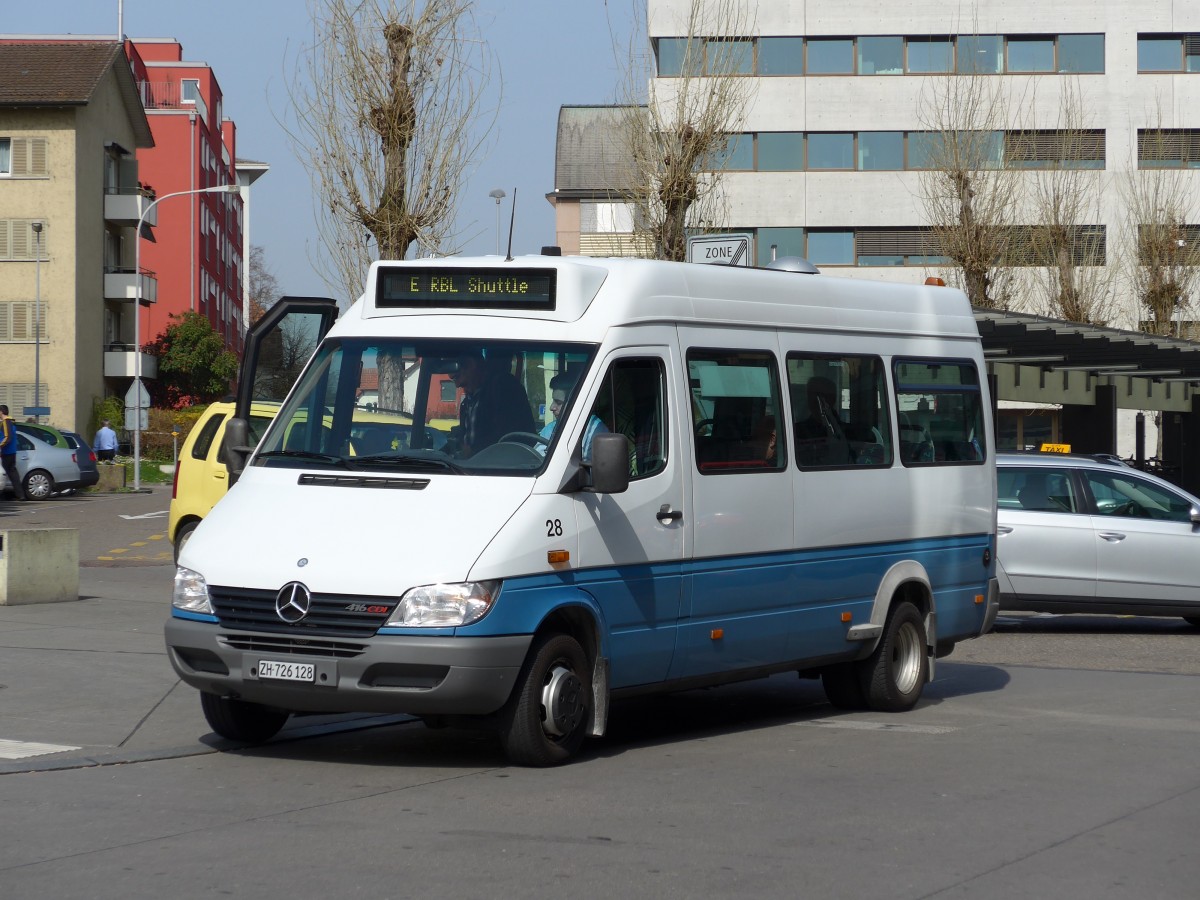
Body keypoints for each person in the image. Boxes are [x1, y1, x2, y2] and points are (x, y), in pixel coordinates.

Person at [449, 350, 535, 457]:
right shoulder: (469, 401)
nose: (457, 385)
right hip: (468, 468)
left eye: (457, 376)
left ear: (471, 365)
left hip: (499, 468)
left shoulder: (504, 389)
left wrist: (474, 451)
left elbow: (508, 436)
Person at [538, 369, 608, 459]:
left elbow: (594, 471)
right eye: (553, 401)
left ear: (574, 402)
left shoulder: (595, 431)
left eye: (558, 402)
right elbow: (535, 460)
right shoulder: (549, 429)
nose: (552, 407)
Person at [794, 376, 851, 466]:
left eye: (821, 396)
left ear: (833, 399)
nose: (816, 400)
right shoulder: (796, 431)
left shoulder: (847, 432)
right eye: (811, 395)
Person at [0, 404, 27, 500]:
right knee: (12, 474)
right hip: (11, 451)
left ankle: (18, 494)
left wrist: (0, 445)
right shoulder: (11, 422)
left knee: (5, 473)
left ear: (1, 412)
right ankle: (20, 495)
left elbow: (7, 437)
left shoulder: (6, 422)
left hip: (7, 452)